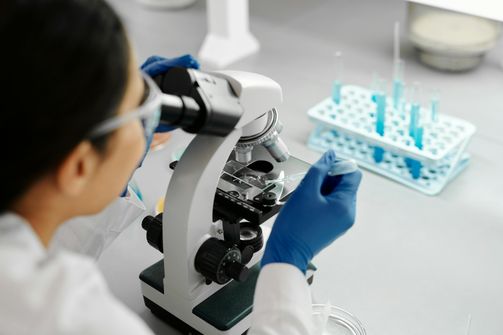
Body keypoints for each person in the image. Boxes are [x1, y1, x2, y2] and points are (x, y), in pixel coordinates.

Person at [0, 1, 362, 334]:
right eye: (139, 103)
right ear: (79, 166)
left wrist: (114, 162)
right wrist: (287, 261)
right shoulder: (81, 321)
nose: (152, 111)